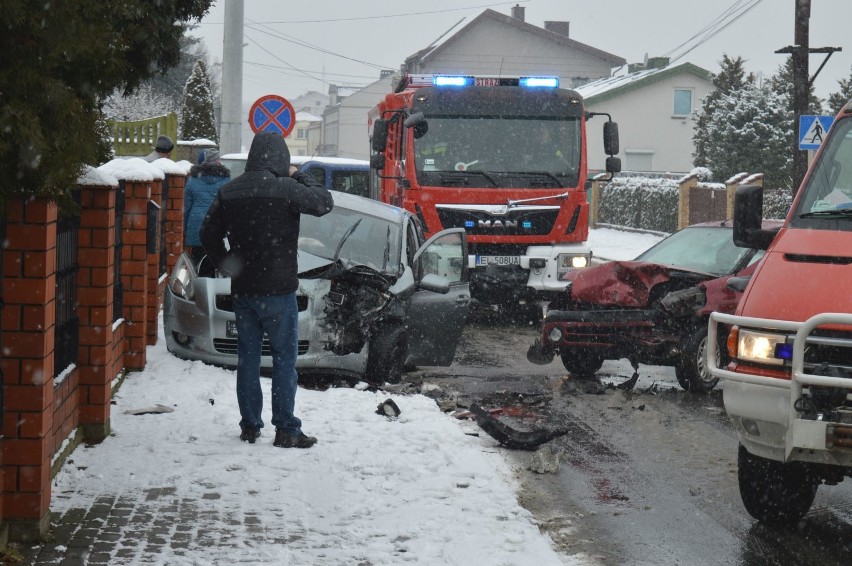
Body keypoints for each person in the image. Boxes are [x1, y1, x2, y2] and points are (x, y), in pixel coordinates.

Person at [199, 132, 333, 448]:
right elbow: (324, 201)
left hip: (244, 292)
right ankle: (286, 429)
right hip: (279, 291)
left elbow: (207, 234)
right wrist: (298, 174)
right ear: (281, 159)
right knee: (285, 359)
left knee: (248, 359)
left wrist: (229, 266)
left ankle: (249, 426)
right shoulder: (287, 189)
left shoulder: (229, 191)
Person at [183, 149, 230, 267]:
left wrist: (185, 229)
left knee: (197, 263)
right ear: (217, 161)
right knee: (216, 262)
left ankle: (199, 282)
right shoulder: (226, 181)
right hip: (217, 227)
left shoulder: (192, 180)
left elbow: (186, 207)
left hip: (196, 226)